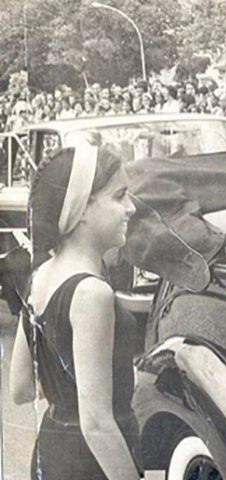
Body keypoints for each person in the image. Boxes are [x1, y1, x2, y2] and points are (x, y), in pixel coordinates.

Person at [10, 144, 140, 479]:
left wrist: (66, 390)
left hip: (52, 452)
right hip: (91, 465)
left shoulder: (40, 276)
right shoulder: (91, 293)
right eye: (119, 196)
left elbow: (21, 388)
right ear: (81, 208)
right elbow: (96, 423)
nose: (131, 207)